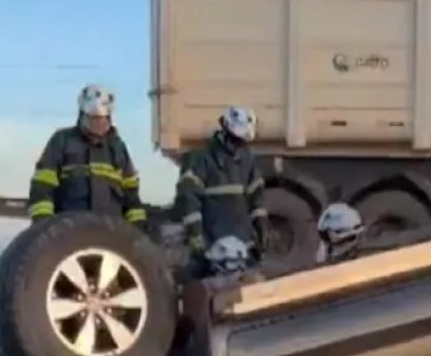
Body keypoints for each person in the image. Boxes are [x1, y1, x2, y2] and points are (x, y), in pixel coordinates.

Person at [26, 84, 148, 229]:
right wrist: (44, 224)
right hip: (68, 232)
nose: (98, 124)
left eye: (102, 119)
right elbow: (42, 187)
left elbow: (131, 196)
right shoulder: (62, 141)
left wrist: (138, 229)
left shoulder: (118, 148)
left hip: (110, 234)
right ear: (82, 115)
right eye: (93, 119)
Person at [175, 106, 269, 273]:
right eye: (235, 140)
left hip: (242, 245)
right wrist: (196, 237)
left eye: (242, 141)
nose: (238, 145)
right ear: (224, 130)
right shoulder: (200, 158)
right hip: (211, 245)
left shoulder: (247, 160)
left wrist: (262, 230)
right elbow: (188, 199)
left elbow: (257, 200)